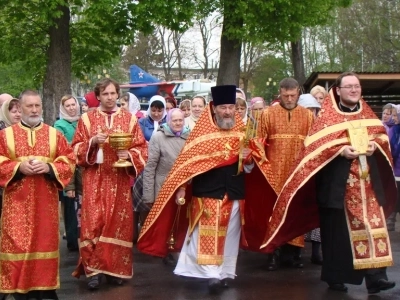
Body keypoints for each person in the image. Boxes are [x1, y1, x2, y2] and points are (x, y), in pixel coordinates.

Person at [263, 72, 396, 294]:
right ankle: (336, 277)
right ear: (338, 90)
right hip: (339, 187)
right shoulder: (327, 118)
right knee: (339, 236)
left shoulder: (368, 114)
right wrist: (340, 151)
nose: (354, 90)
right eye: (349, 87)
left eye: (356, 86)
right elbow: (315, 151)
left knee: (374, 228)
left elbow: (382, 138)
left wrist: (375, 146)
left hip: (367, 186)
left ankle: (376, 278)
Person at [138, 85, 269, 294]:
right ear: (214, 108)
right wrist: (181, 187)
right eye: (223, 107)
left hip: (235, 191)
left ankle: (224, 272)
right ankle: (211, 275)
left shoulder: (243, 130)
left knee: (229, 235)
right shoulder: (201, 132)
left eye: (231, 107)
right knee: (208, 233)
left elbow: (253, 165)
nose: (228, 111)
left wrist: (248, 157)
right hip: (208, 191)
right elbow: (187, 164)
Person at [71, 78, 148, 290]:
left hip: (119, 180)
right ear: (98, 96)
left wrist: (129, 154)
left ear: (118, 95)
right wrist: (92, 143)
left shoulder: (130, 119)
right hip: (94, 179)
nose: (110, 97)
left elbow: (142, 148)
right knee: (92, 224)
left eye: (113, 93)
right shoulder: (86, 120)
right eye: (105, 94)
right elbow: (75, 149)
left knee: (118, 225)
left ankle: (115, 269)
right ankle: (93, 271)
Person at [0, 90, 75, 300]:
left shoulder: (54, 134)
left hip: (45, 206)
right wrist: (18, 167)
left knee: (44, 245)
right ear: (20, 108)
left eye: (37, 106)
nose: (34, 110)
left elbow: (68, 161)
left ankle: (46, 292)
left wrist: (50, 168)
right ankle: (18, 292)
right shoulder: (5, 136)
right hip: (16, 206)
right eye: (29, 106)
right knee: (17, 246)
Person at [257, 78, 313, 271]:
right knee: (273, 212)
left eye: (292, 94)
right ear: (279, 93)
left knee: (295, 211)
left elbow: (312, 145)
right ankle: (273, 252)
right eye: (285, 94)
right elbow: (259, 143)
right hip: (273, 172)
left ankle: (294, 254)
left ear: (298, 92)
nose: (289, 98)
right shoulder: (267, 114)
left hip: (297, 172)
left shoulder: (307, 116)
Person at [142, 108, 190, 264]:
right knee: (165, 221)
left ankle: (179, 249)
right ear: (168, 121)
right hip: (164, 186)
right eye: (174, 120)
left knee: (182, 220)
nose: (178, 123)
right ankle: (166, 250)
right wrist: (148, 194)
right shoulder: (158, 137)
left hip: (185, 186)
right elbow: (150, 167)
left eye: (180, 120)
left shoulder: (190, 136)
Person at [297, 93, 322, 264]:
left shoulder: (321, 126)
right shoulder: (297, 126)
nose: (310, 113)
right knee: (299, 212)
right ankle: (297, 249)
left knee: (316, 212)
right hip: (299, 174)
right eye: (308, 109)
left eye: (314, 109)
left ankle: (316, 250)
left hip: (316, 175)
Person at [54, 95, 81, 252]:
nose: (71, 108)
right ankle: (72, 239)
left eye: (73, 104)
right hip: (68, 169)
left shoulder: (81, 121)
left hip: (83, 169)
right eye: (68, 106)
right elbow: (62, 146)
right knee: (70, 206)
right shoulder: (59, 124)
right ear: (63, 108)